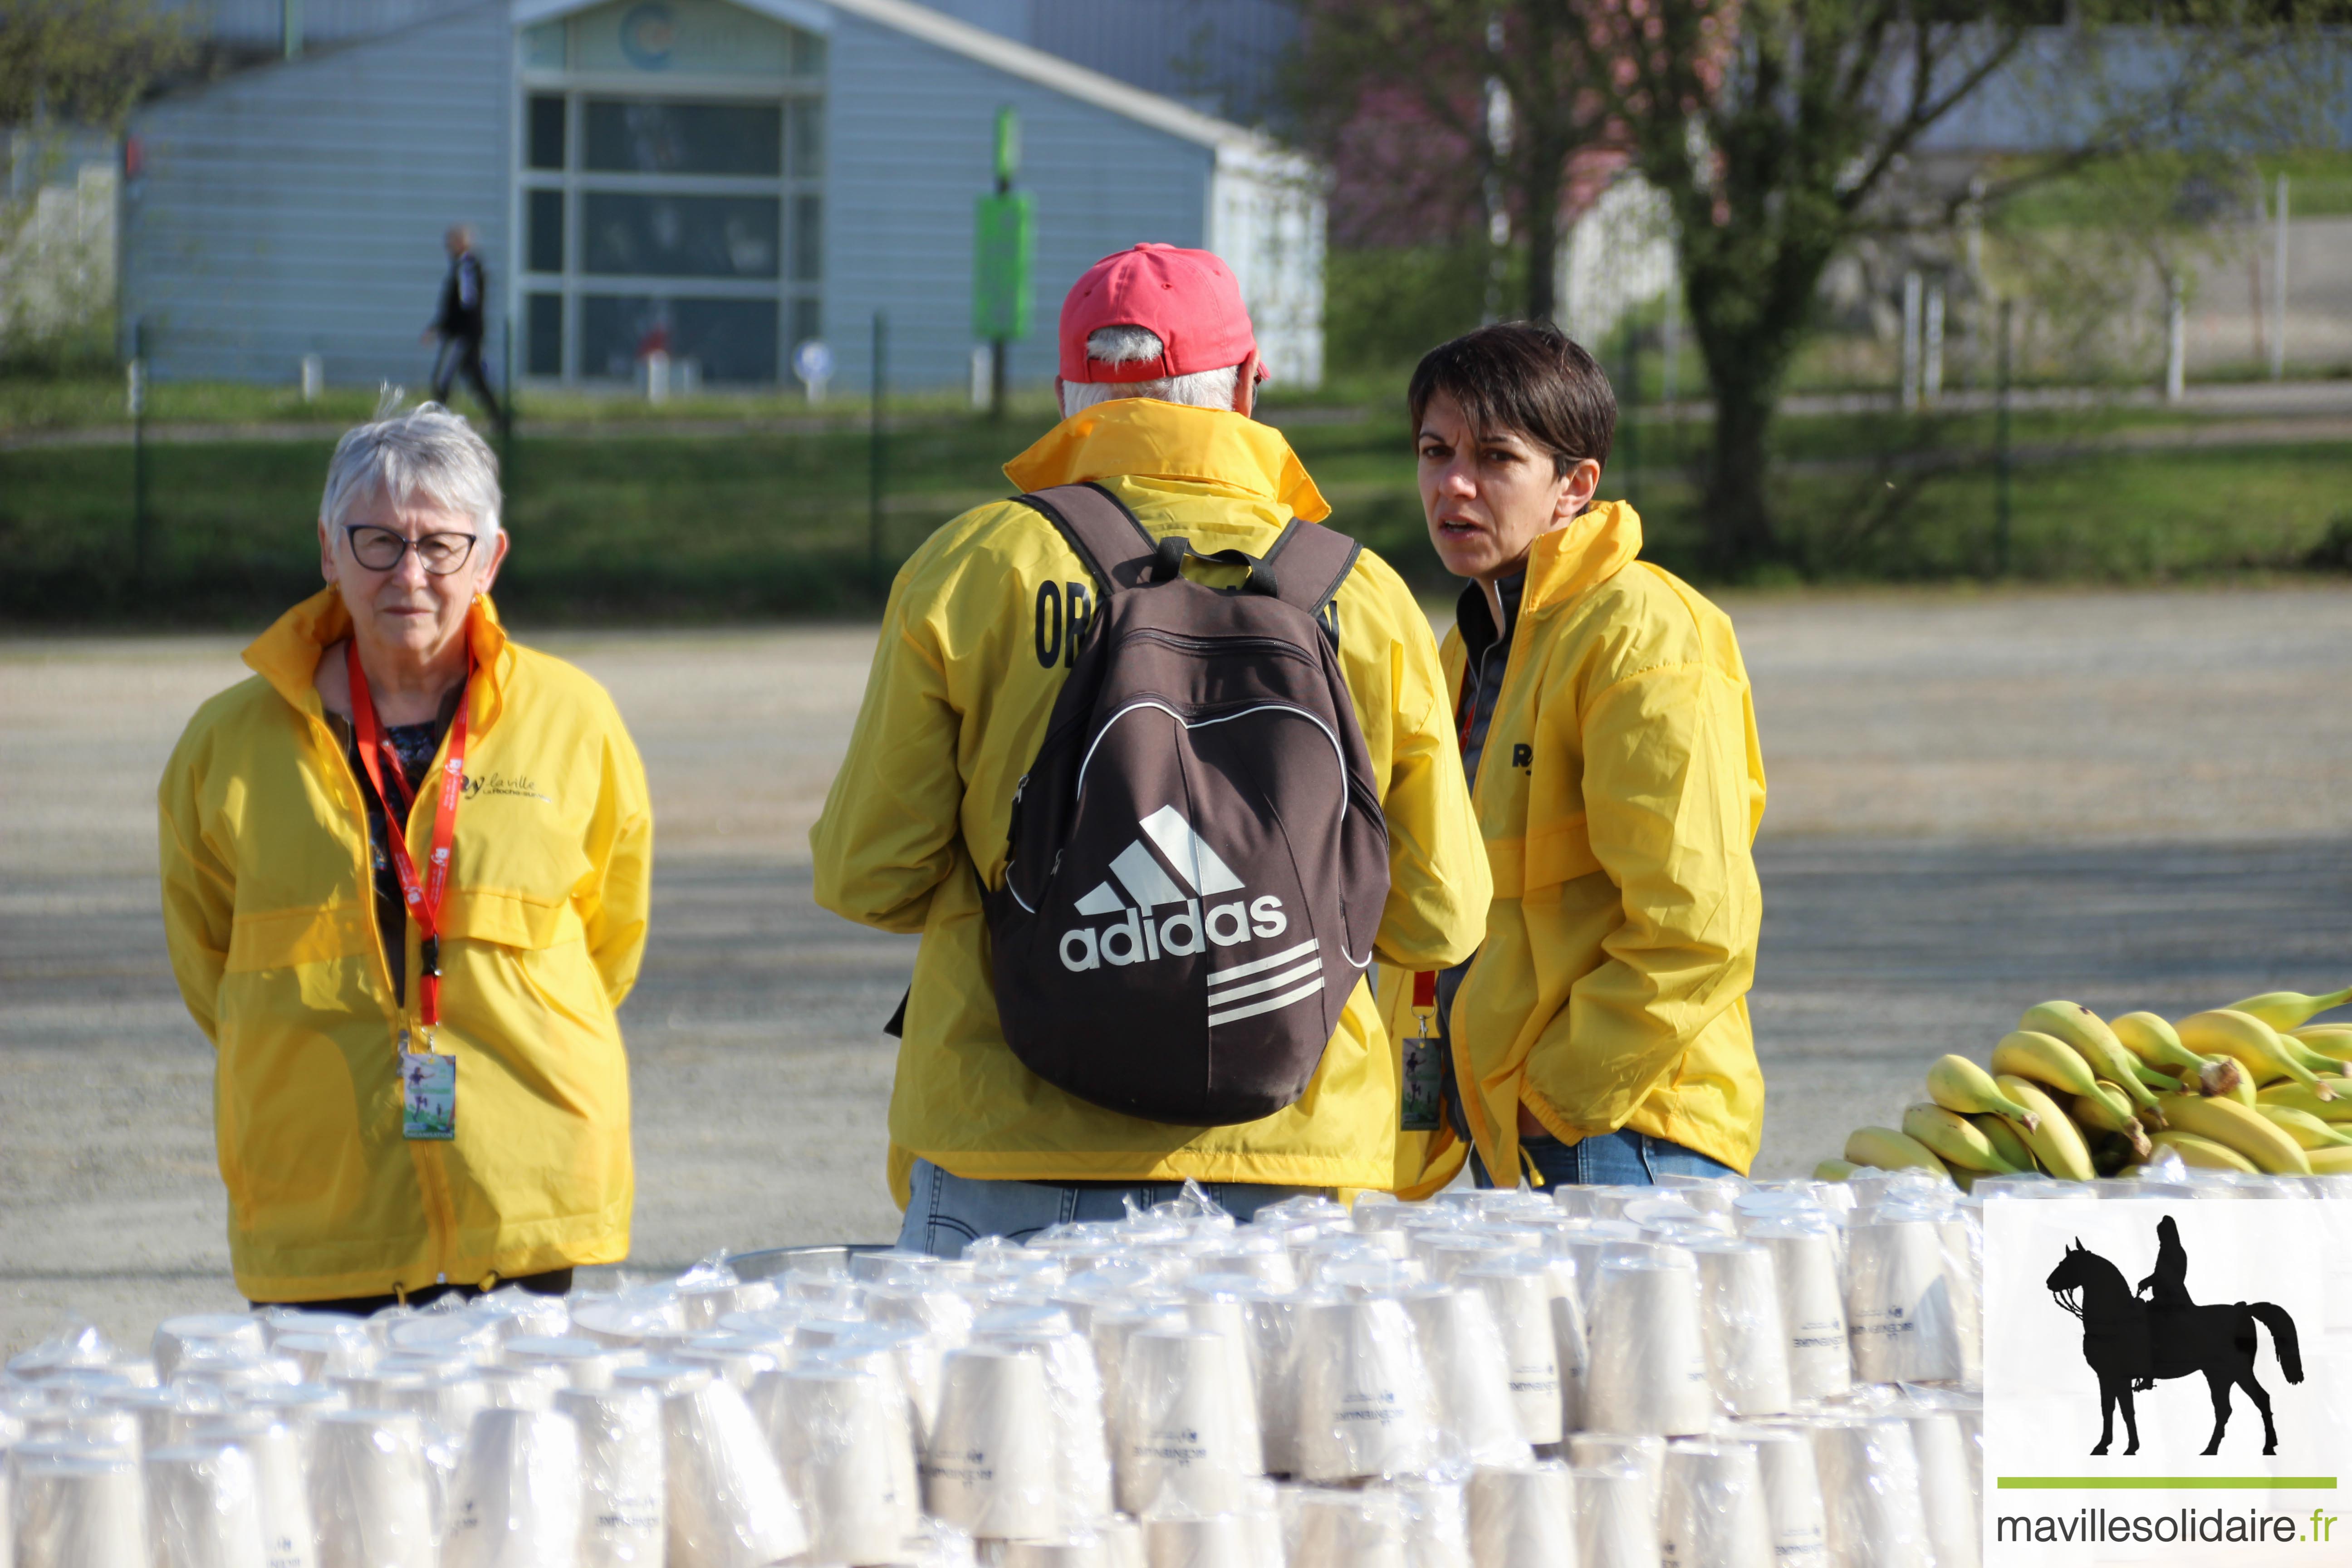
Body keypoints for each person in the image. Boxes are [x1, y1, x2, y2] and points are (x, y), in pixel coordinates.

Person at [810, 243, 1489, 1253]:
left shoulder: (973, 569)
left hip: (1009, 1153)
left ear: (1065, 398)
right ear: (1251, 385)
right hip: (1288, 1163)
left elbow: (869, 876)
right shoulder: (1364, 595)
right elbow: (1441, 917)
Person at [157, 403, 651, 1311]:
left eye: (440, 545)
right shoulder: (227, 742)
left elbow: (609, 941)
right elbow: (210, 963)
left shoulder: (575, 719)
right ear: (328, 552)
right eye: (377, 542)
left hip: (522, 1181)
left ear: (491, 557)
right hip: (320, 1191)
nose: (410, 574)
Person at [1388, 322, 1766, 1192]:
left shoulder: (1639, 629)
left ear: (1574, 486)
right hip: (1532, 1127)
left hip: (1623, 1131)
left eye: (1494, 457)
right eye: (1433, 449)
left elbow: (1696, 925)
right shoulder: (1473, 646)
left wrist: (1549, 1095)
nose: (1453, 483)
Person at [425, 225, 505, 428]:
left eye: (451, 242)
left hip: (462, 334)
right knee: (476, 377)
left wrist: (446, 327)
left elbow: (466, 302)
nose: (448, 247)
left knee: (442, 380)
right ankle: (500, 420)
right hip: (467, 332)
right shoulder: (465, 266)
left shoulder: (467, 267)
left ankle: (437, 424)